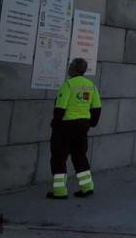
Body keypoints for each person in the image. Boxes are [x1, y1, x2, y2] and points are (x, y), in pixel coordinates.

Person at [48, 58, 102, 199]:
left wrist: (55, 124)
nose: (69, 68)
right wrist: (91, 123)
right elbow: (96, 108)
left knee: (59, 157)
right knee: (80, 156)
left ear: (74, 69)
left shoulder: (68, 85)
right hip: (82, 126)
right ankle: (87, 187)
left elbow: (60, 108)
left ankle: (59, 192)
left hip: (65, 126)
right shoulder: (91, 86)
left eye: (70, 65)